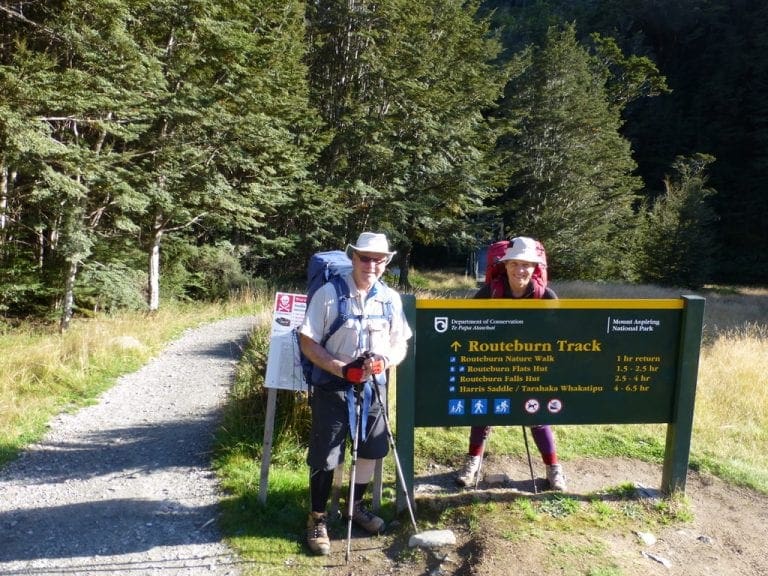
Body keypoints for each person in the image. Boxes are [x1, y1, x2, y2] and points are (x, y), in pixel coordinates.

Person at [298, 232, 413, 556]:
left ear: (386, 262)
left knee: (370, 449)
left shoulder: (391, 298)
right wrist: (339, 368)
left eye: (379, 259)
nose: (371, 265)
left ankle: (355, 507)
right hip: (333, 387)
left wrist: (385, 361)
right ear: (353, 257)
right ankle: (317, 518)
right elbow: (308, 342)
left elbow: (399, 341)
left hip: (374, 387)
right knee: (326, 454)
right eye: (365, 257)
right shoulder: (328, 294)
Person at [454, 236, 567, 491]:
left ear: (535, 268)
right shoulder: (488, 294)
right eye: (514, 264)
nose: (520, 270)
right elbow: (470, 326)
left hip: (532, 367)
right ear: (505, 266)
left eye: (526, 264)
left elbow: (558, 335)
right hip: (494, 365)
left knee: (537, 414)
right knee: (482, 413)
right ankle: (472, 461)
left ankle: (553, 468)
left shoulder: (546, 296)